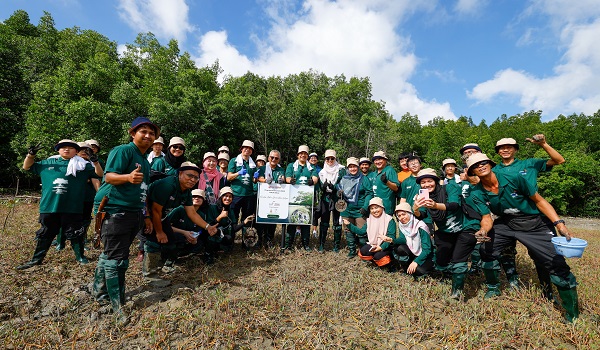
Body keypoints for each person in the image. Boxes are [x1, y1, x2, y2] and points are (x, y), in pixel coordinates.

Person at [467, 153, 580, 322]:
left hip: (533, 222)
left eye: (483, 162)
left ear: (490, 164)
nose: (481, 166)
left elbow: (539, 201)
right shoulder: (475, 193)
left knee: (555, 263)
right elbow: (486, 218)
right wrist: (483, 231)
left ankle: (572, 315)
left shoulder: (514, 178)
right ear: (472, 172)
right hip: (506, 223)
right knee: (486, 248)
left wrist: (559, 223)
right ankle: (493, 287)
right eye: (476, 165)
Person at [90, 116, 159, 326]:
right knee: (117, 259)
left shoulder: (145, 162)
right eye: (143, 131)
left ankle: (98, 290)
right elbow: (109, 177)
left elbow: (143, 191)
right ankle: (116, 304)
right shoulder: (123, 151)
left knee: (111, 253)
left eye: (151, 133)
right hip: (115, 209)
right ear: (133, 133)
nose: (147, 136)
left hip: (133, 212)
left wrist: (145, 216)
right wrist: (128, 177)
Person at [492, 136, 565, 300]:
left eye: (509, 147)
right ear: (497, 152)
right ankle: (512, 283)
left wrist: (543, 144)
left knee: (542, 256)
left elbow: (559, 160)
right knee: (504, 253)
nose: (505, 149)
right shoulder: (495, 170)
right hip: (507, 219)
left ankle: (547, 291)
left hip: (534, 216)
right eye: (501, 147)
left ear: (515, 149)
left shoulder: (529, 164)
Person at [17, 139, 104, 270]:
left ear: (76, 151)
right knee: (46, 233)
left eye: (70, 147)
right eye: (63, 147)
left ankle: (80, 256)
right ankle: (37, 259)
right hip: (50, 206)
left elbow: (100, 174)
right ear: (58, 149)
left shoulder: (82, 166)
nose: (66, 149)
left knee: (76, 233)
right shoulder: (48, 163)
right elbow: (27, 167)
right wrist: (31, 155)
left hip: (72, 207)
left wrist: (95, 161)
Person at [413, 168, 494, 299]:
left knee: (458, 258)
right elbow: (422, 215)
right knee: (441, 259)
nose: (426, 185)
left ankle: (457, 292)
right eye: (423, 182)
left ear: (436, 181)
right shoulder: (424, 195)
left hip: (466, 226)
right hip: (447, 231)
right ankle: (451, 275)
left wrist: (435, 205)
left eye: (429, 181)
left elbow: (454, 205)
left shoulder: (449, 187)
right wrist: (415, 209)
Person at [143, 162, 216, 286]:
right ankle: (150, 275)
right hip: (145, 214)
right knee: (153, 241)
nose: (193, 180)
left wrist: (207, 227)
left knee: (170, 241)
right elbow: (155, 210)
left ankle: (162, 266)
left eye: (196, 177)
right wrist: (160, 232)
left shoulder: (186, 191)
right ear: (180, 173)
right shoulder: (168, 185)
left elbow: (192, 213)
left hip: (161, 215)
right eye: (189, 176)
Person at [205, 187, 255, 262]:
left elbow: (234, 229)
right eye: (225, 196)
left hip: (221, 235)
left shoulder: (230, 210)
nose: (228, 198)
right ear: (221, 197)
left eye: (230, 196)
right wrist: (219, 217)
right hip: (210, 234)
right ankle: (208, 254)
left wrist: (244, 221)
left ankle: (220, 249)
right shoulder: (212, 208)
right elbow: (208, 225)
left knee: (228, 238)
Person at [343, 197, 395, 269]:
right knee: (363, 251)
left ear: (382, 207)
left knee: (378, 256)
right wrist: (349, 224)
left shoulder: (389, 220)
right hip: (373, 244)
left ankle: (390, 264)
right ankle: (375, 261)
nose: (374, 210)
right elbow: (361, 232)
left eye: (376, 207)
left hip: (386, 246)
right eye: (372, 208)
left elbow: (391, 237)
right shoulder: (369, 220)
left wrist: (381, 247)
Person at [284, 145, 318, 251]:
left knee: (306, 221)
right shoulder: (291, 165)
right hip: (293, 197)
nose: (303, 155)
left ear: (307, 155)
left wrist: (313, 181)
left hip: (307, 197)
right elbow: (287, 177)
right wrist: (290, 181)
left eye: (305, 154)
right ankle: (288, 244)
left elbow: (315, 178)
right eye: (301, 154)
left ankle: (305, 244)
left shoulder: (311, 167)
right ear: (298, 155)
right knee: (292, 221)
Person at [339, 157, 373, 258]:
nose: (352, 169)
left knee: (362, 231)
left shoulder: (363, 178)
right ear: (348, 168)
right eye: (350, 167)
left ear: (358, 167)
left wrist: (365, 206)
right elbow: (339, 189)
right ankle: (352, 250)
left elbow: (369, 193)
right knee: (348, 230)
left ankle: (363, 251)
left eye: (354, 166)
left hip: (359, 209)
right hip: (346, 209)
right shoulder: (344, 179)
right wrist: (338, 192)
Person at [227, 140, 258, 248]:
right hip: (235, 194)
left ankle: (246, 244)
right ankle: (230, 242)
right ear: (241, 148)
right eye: (245, 147)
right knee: (233, 219)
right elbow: (229, 177)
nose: (247, 150)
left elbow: (253, 181)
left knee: (247, 219)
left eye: (249, 148)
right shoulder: (234, 161)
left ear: (252, 151)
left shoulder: (253, 164)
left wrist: (255, 178)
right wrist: (238, 173)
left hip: (249, 195)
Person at [391, 202, 434, 278]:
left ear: (410, 213)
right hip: (414, 252)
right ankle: (407, 267)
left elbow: (427, 250)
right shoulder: (403, 226)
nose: (401, 217)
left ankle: (429, 270)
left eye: (404, 214)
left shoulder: (420, 227)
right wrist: (392, 240)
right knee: (400, 248)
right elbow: (403, 239)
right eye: (399, 216)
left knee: (419, 270)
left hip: (427, 255)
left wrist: (416, 262)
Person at [316, 149, 346, 252]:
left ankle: (336, 246)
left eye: (332, 158)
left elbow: (344, 182)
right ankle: (321, 245)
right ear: (325, 159)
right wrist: (323, 187)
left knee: (337, 222)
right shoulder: (322, 172)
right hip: (326, 198)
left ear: (335, 158)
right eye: (327, 158)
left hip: (337, 197)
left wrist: (335, 187)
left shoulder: (341, 169)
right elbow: (320, 186)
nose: (330, 160)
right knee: (324, 221)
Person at [166, 189, 208, 260]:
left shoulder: (201, 215)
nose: (197, 198)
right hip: (175, 235)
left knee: (200, 243)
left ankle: (184, 256)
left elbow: (198, 230)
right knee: (178, 238)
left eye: (200, 197)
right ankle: (170, 258)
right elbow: (166, 226)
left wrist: (195, 238)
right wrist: (184, 232)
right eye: (194, 196)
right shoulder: (180, 209)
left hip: (189, 238)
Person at [256, 150, 286, 248]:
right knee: (261, 219)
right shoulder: (263, 168)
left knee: (272, 219)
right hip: (263, 197)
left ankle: (269, 240)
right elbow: (259, 178)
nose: (273, 159)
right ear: (268, 158)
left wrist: (283, 179)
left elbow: (282, 177)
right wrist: (265, 180)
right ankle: (259, 239)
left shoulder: (280, 169)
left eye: (276, 158)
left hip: (275, 198)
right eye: (272, 157)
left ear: (279, 160)